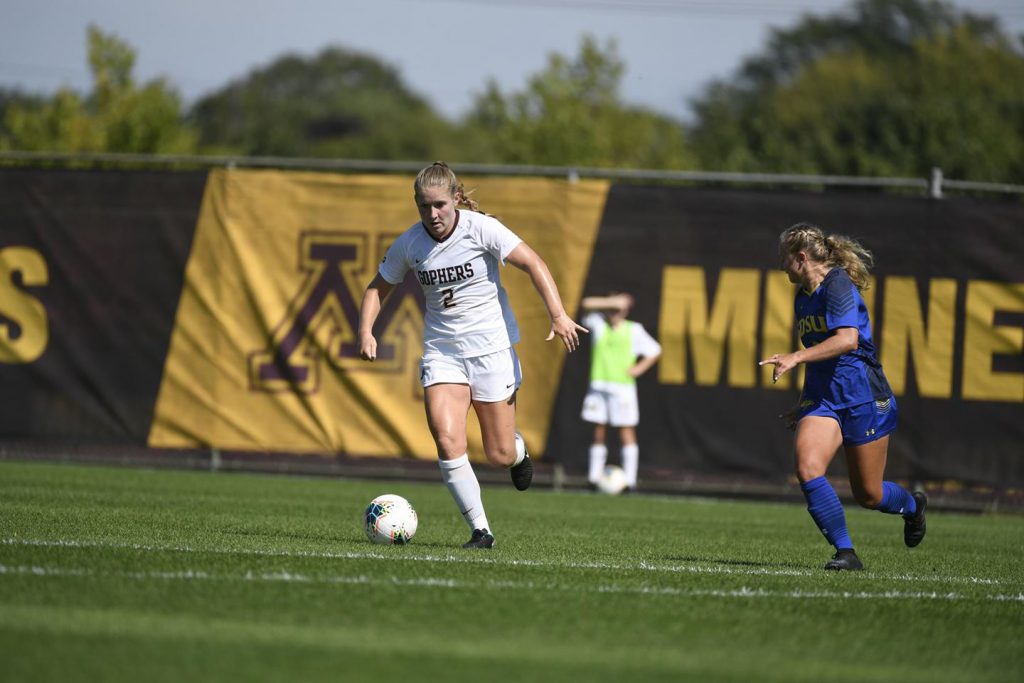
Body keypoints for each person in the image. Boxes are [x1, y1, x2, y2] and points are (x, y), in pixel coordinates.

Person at [358, 161, 587, 549]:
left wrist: (559, 314)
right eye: (423, 206)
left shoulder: (482, 229)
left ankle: (517, 452)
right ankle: (482, 531)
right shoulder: (411, 243)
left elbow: (534, 263)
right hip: (442, 352)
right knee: (447, 440)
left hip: (491, 351)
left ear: (457, 199)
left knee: (497, 454)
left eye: (440, 205)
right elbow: (377, 288)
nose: (432, 215)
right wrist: (366, 330)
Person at [760, 222, 927, 571]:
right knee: (807, 469)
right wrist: (803, 402)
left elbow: (847, 340)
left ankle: (912, 507)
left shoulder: (837, 285)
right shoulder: (803, 298)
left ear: (801, 258)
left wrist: (795, 357)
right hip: (823, 399)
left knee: (869, 494)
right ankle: (846, 553)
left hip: (863, 396)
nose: (780, 266)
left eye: (784, 258)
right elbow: (821, 355)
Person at [579, 292, 661, 492]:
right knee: (598, 431)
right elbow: (586, 303)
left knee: (626, 431)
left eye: (619, 309)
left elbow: (654, 350)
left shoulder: (634, 330)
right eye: (611, 309)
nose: (615, 312)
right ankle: (593, 478)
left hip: (622, 388)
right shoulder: (598, 324)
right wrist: (612, 301)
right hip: (599, 386)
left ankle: (630, 482)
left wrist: (638, 369)